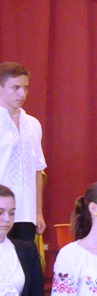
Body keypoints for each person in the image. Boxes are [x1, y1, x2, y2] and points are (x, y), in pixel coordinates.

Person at [0, 61, 46, 242]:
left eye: (25, 88)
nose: (22, 93)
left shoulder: (33, 124)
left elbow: (37, 170)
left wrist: (38, 212)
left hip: (26, 213)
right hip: (1, 211)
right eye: (15, 88)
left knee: (23, 257)